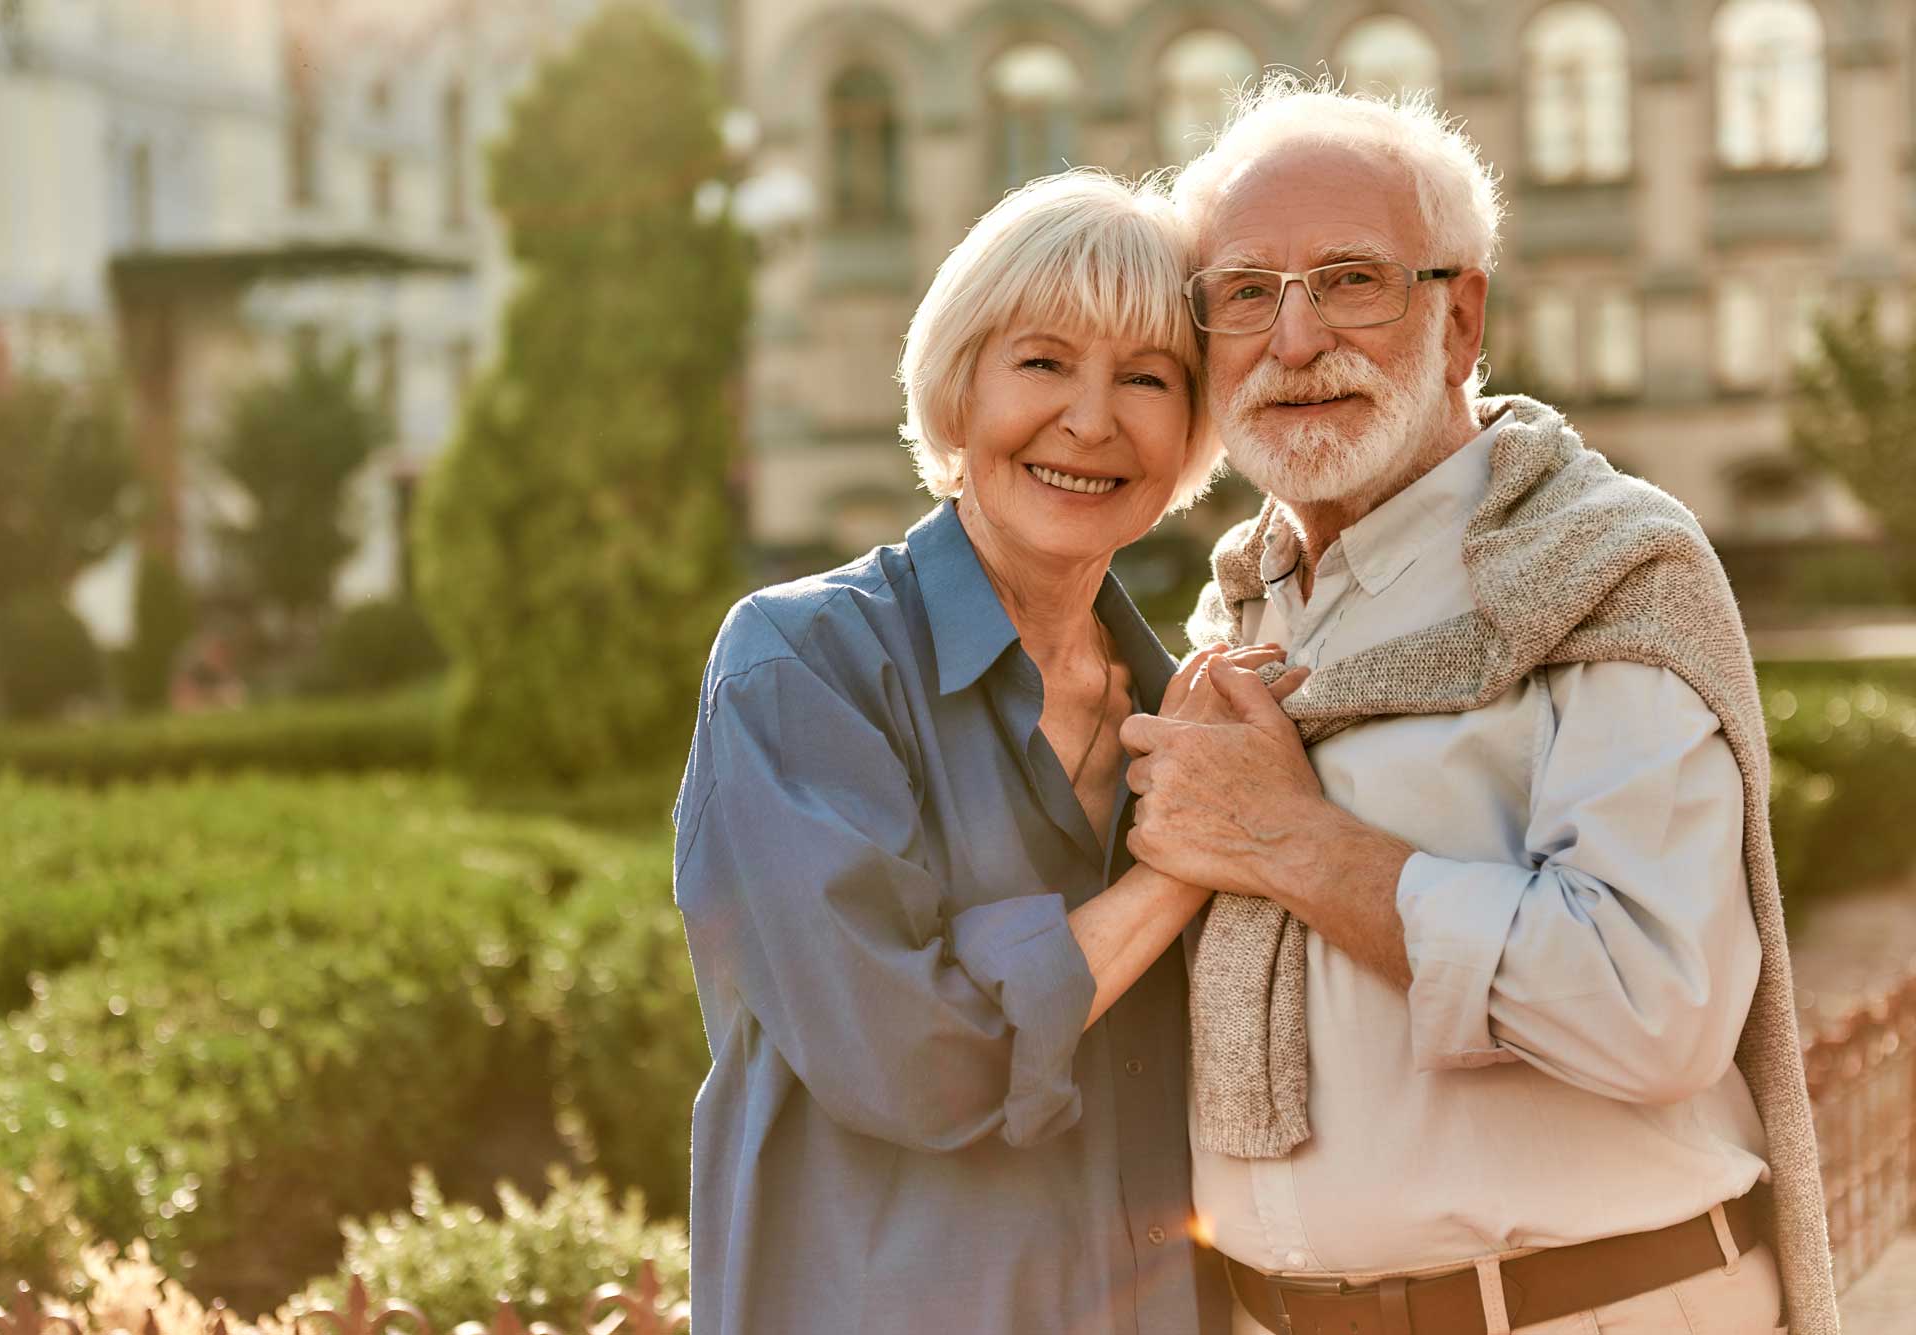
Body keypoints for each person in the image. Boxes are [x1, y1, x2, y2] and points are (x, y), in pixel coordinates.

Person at [1118, 76, 1837, 1335]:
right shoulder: (1236, 612)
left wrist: (1290, 841)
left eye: (1350, 279)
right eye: (1244, 293)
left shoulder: (1596, 568)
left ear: (1458, 319)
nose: (1291, 344)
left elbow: (1648, 1005)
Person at [673, 170, 1296, 1334]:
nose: (1092, 420)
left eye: (1147, 378)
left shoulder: (1191, 714)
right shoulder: (800, 666)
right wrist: (1178, 870)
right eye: (1043, 362)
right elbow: (908, 1058)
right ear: (958, 389)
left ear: (1193, 431)